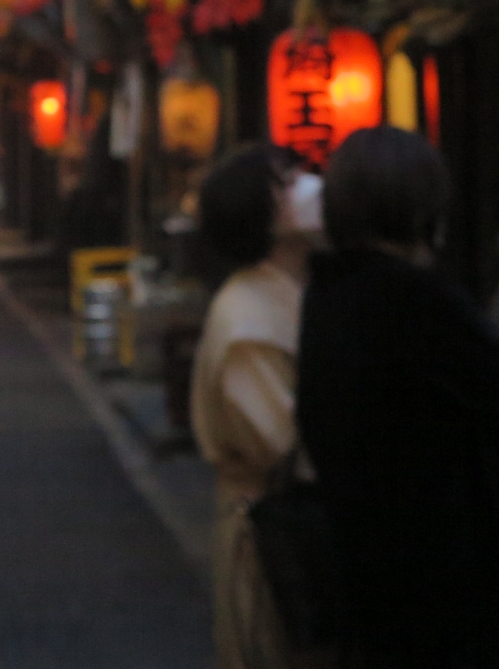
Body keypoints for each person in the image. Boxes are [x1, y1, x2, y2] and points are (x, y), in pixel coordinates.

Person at [296, 127, 499, 668]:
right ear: (422, 209)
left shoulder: (329, 296)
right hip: (454, 582)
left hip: (374, 580)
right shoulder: (411, 300)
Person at [191, 145, 324, 669]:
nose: (309, 187)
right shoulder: (247, 320)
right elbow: (284, 447)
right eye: (288, 183)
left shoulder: (289, 291)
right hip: (275, 537)